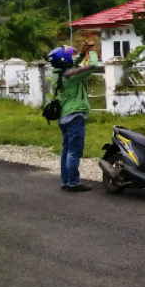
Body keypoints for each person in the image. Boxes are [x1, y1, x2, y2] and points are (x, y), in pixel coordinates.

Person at [51, 42, 100, 192]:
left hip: (64, 116)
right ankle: (73, 183)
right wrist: (91, 51)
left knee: (66, 150)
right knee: (74, 151)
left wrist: (80, 54)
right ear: (64, 60)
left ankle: (65, 181)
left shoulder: (58, 73)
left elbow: (72, 66)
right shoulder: (71, 76)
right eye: (69, 56)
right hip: (75, 116)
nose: (71, 58)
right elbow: (93, 66)